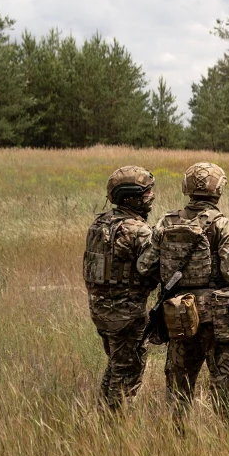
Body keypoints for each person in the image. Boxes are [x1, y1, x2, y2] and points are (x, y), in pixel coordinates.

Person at [138, 162, 229, 421]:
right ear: (219, 190)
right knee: (226, 382)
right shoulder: (223, 225)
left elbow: (145, 266)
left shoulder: (166, 222)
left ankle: (178, 442)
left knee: (179, 384)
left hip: (179, 313)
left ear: (186, 187)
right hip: (219, 318)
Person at [83, 165, 158, 411]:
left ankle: (103, 412)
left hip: (101, 311)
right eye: (147, 192)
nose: (152, 196)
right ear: (131, 197)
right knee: (129, 372)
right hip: (127, 316)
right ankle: (114, 425)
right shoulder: (139, 231)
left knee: (116, 364)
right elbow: (152, 270)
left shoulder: (99, 224)